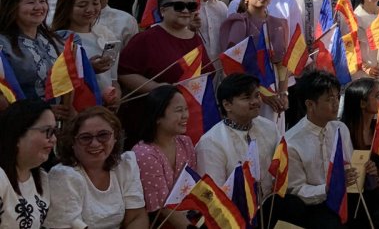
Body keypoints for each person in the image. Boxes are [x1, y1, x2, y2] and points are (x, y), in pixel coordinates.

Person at [117, 0, 210, 129]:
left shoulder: (196, 39)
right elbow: (123, 72)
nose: (186, 11)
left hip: (188, 120)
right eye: (179, 6)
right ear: (162, 10)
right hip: (151, 120)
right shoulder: (146, 39)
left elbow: (206, 74)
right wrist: (155, 88)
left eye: (191, 6)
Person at [46, 106, 148, 229]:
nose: (95, 143)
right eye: (85, 137)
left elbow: (137, 217)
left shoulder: (124, 165)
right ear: (72, 143)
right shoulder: (63, 176)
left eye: (103, 135)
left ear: (115, 138)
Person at [278, 71, 357, 229]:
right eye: (329, 99)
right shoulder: (292, 141)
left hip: (344, 197)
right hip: (314, 205)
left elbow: (349, 166)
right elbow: (295, 190)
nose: (336, 104)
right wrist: (327, 188)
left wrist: (362, 171)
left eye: (337, 97)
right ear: (310, 104)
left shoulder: (340, 128)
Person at [196, 73, 280, 203]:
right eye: (246, 98)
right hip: (235, 215)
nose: (256, 102)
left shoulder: (269, 127)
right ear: (227, 105)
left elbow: (281, 168)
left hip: (271, 207)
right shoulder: (210, 143)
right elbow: (213, 196)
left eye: (257, 95)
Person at [338, 78, 379, 226]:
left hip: (372, 192)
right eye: (377, 96)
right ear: (362, 103)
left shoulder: (378, 129)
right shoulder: (343, 130)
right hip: (349, 195)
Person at [131, 86, 195, 228]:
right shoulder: (144, 153)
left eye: (186, 109)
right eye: (179, 110)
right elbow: (163, 208)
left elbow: (194, 187)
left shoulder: (185, 142)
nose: (185, 115)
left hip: (190, 217)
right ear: (158, 117)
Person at [48, 0, 119, 100]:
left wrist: (116, 98)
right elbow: (56, 81)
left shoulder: (106, 35)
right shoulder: (58, 39)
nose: (90, 9)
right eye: (82, 5)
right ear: (66, 7)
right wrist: (88, 68)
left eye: (95, 3)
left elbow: (113, 80)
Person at [0, 0, 65, 107]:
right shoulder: (3, 45)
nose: (39, 7)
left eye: (42, 1)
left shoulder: (57, 40)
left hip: (60, 120)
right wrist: (44, 111)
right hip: (21, 120)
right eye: (31, 2)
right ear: (12, 7)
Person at [0, 99, 56, 228]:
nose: (53, 139)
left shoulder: (42, 177)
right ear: (18, 135)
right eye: (47, 131)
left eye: (54, 131)